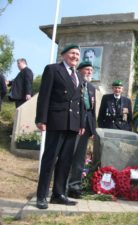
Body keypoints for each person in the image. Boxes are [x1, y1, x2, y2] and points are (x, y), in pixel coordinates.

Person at [35, 44, 85, 209]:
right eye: (72, 53)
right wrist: (41, 119)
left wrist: (81, 123)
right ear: (63, 54)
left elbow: (80, 102)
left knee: (65, 161)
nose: (75, 56)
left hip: (73, 123)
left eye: (77, 54)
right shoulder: (52, 69)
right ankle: (41, 196)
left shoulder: (78, 74)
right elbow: (44, 95)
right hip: (56, 121)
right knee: (50, 159)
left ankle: (58, 194)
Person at [68, 61, 96, 199]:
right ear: (79, 70)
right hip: (73, 125)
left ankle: (75, 186)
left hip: (86, 126)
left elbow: (92, 110)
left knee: (80, 158)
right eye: (87, 69)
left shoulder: (91, 87)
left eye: (91, 70)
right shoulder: (74, 83)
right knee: (68, 156)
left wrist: (93, 130)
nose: (90, 72)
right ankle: (62, 185)